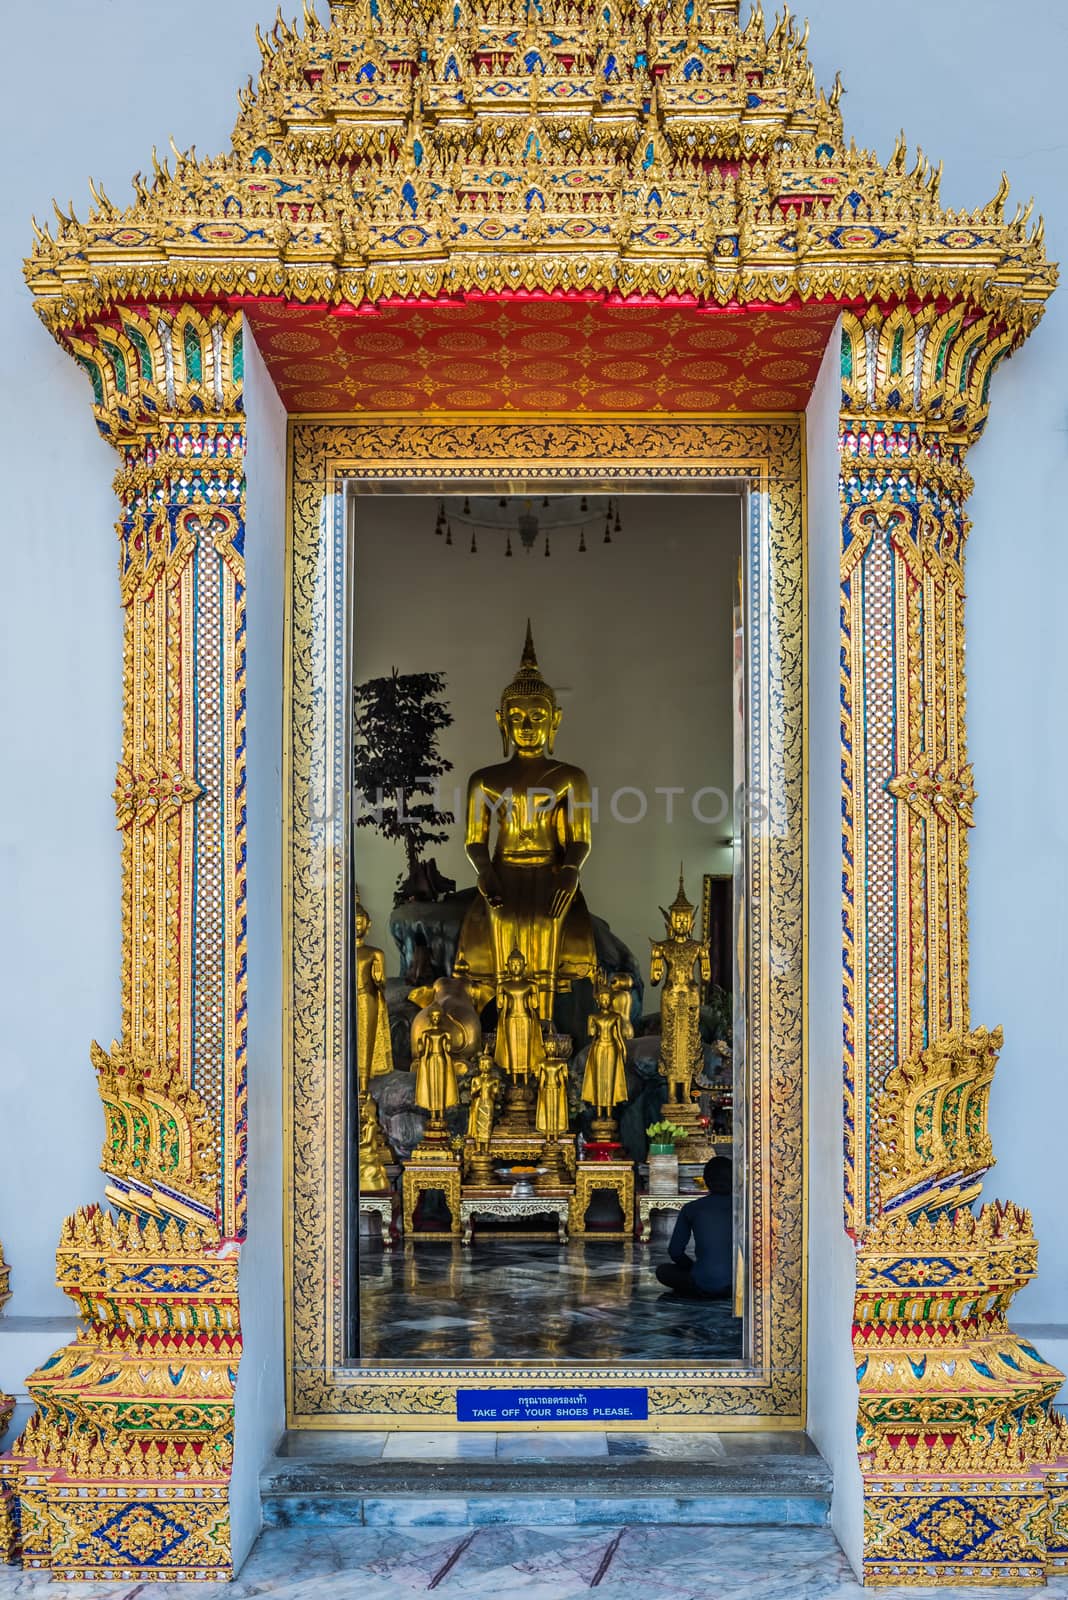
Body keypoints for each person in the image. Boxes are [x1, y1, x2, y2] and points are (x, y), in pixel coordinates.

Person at [655, 1157, 733, 1300]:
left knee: (663, 1271)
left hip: (702, 1284)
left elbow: (675, 1252)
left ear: (705, 1180)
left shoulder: (692, 1208)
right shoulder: (746, 1208)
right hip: (737, 1284)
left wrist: (693, 1268)